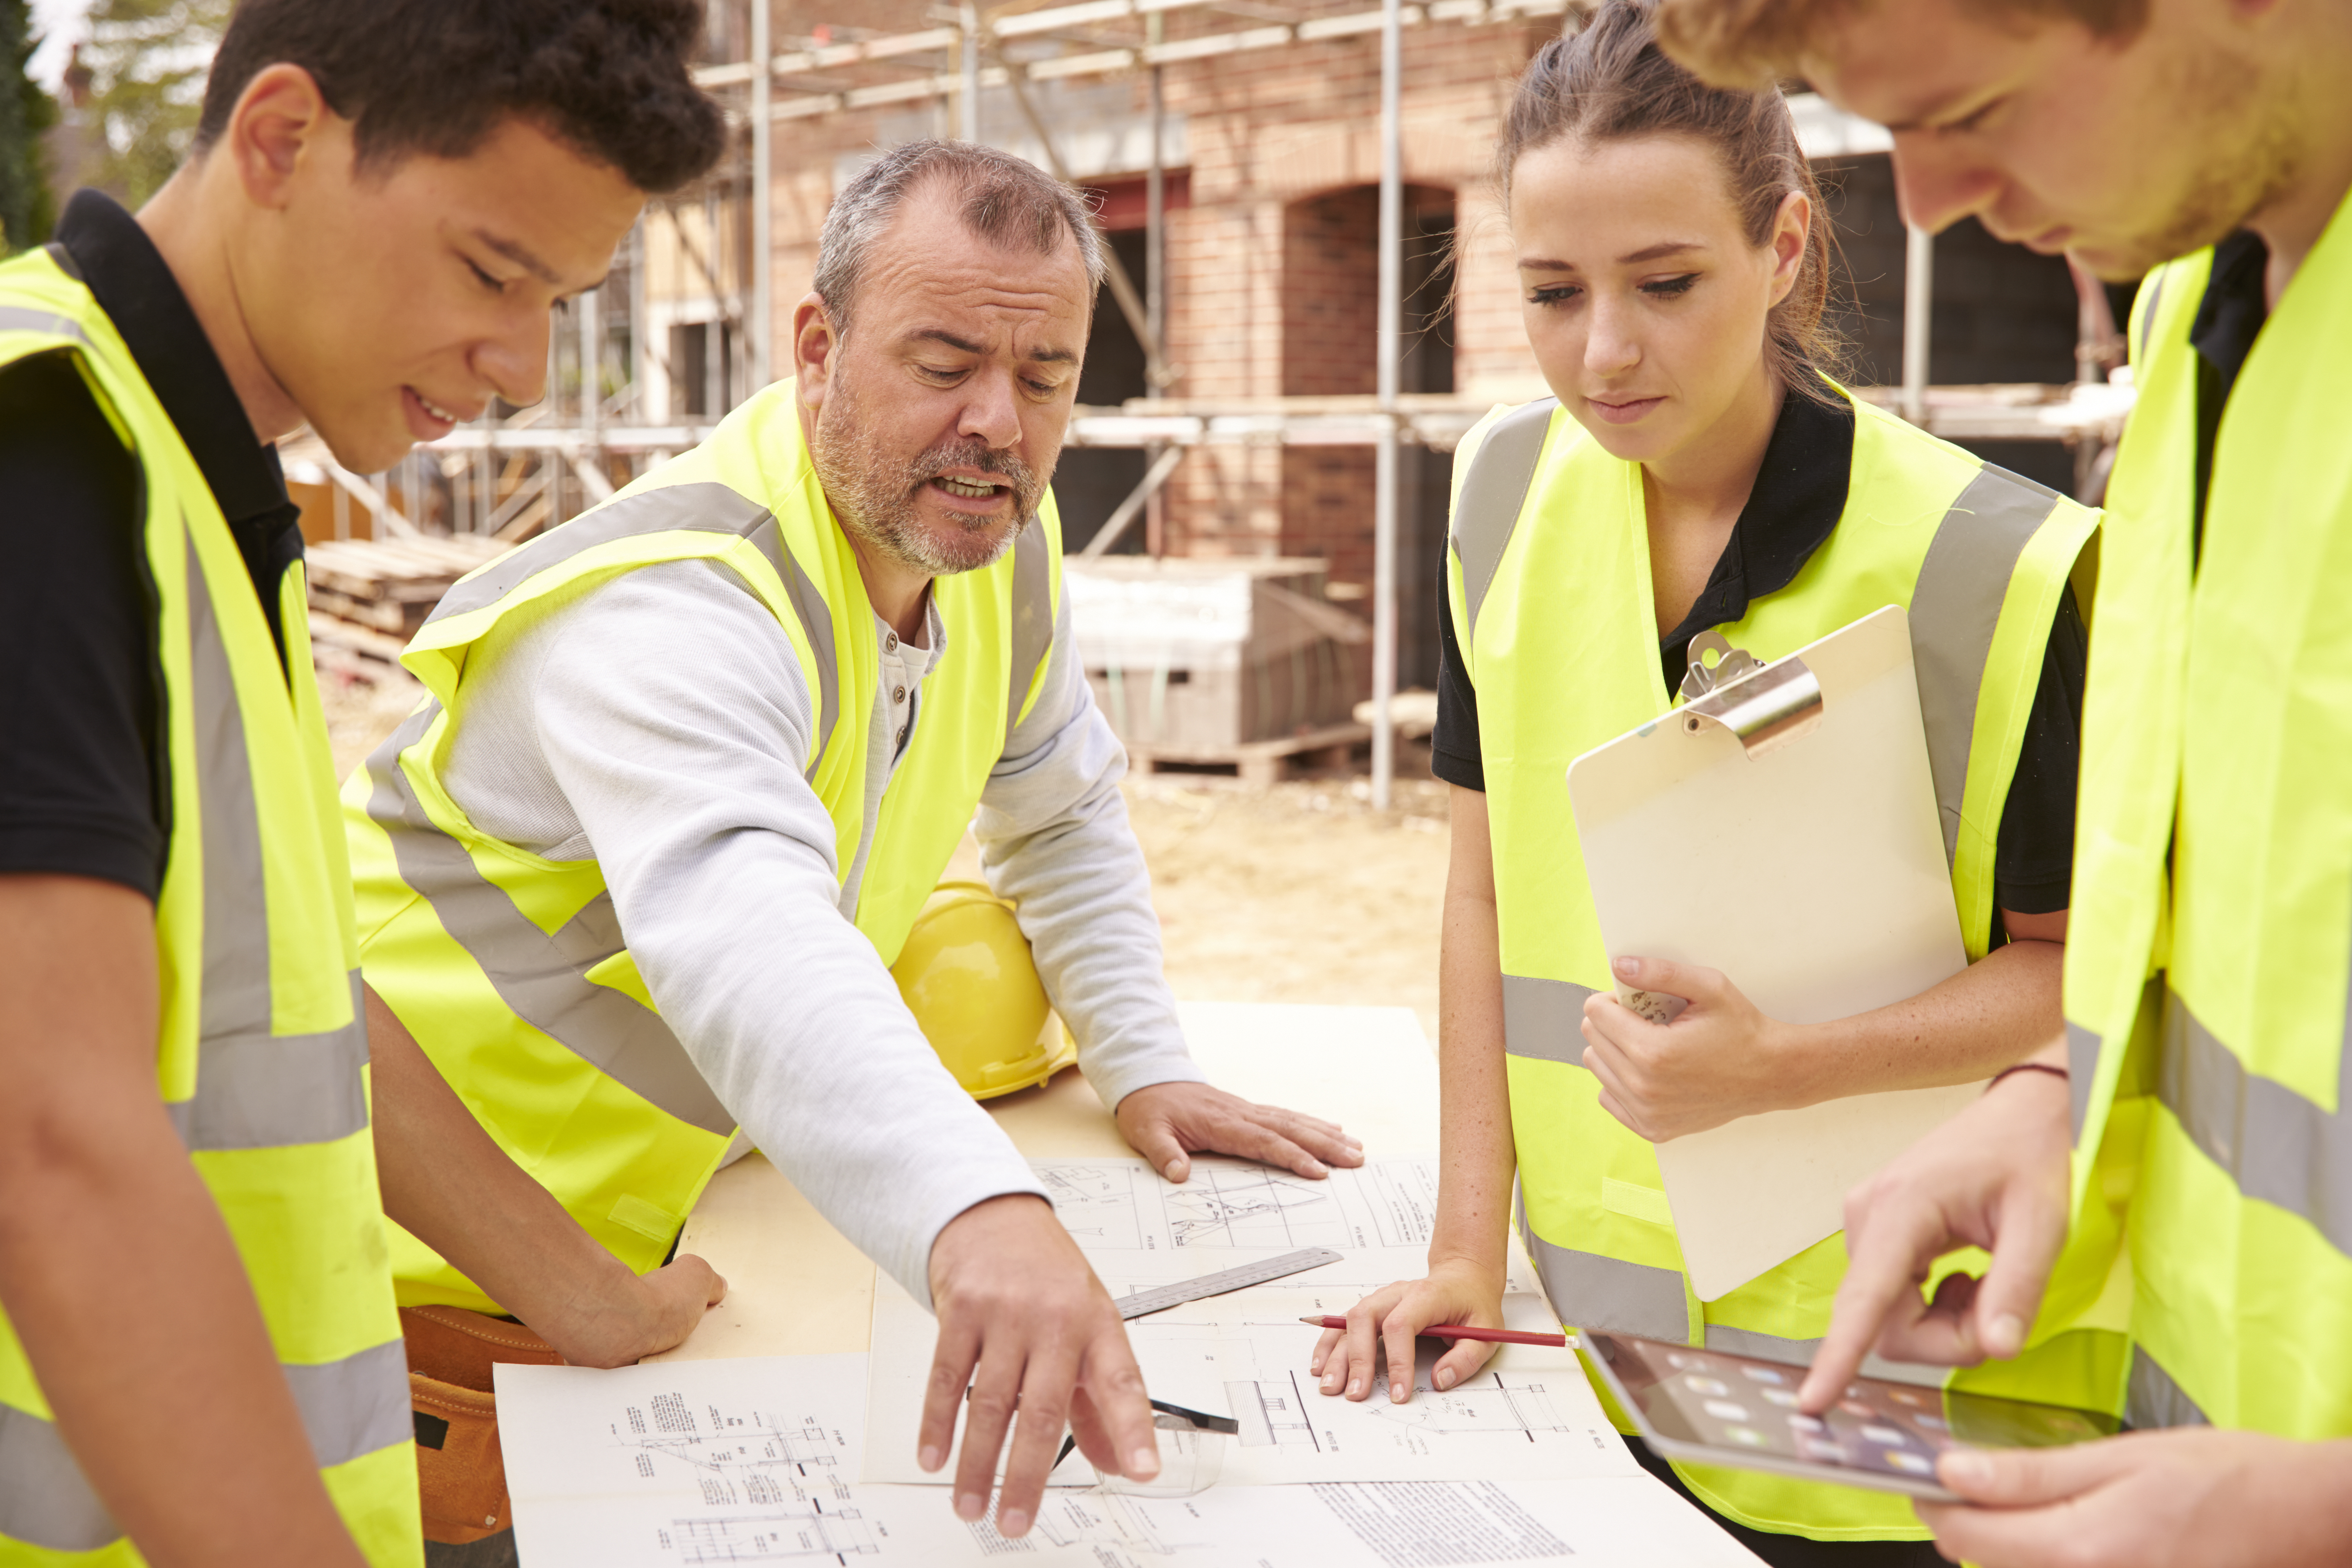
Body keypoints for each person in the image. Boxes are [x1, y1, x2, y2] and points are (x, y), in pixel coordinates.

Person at [343, 137, 1365, 1545]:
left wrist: (1143, 1058)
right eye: (943, 363)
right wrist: (979, 1216)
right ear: (817, 349)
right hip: (405, 1284)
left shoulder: (995, 540)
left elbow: (1060, 807)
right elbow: (746, 934)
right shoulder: (675, 604)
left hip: (636, 1261)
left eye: (1046, 377)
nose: (1000, 423)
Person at [1309, 6, 2111, 1562]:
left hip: (1898, 1413)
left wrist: (1783, 1066)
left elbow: (2078, 978)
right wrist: (1469, 1247)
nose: (1604, 352)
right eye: (1551, 293)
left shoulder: (1998, 570)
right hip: (1599, 1393)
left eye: (1667, 285)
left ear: (1787, 246)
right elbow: (1481, 889)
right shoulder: (1494, 493)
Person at [0, 1, 725, 1563]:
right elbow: (53, 1149)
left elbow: (296, 996)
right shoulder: (43, 454)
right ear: (280, 140)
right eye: (490, 270)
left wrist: (578, 1294)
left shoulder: (195, 477)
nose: (523, 366)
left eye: (565, 300)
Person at [1641, 0, 2352, 1562]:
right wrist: (2052, 1093)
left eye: (1972, 107)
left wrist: (2323, 1513)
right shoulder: (2194, 328)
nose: (1926, 203)